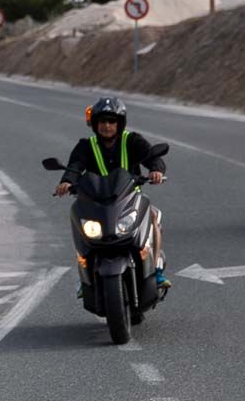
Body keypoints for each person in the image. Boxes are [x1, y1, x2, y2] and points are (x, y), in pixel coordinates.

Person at [54, 96, 169, 290]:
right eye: (102, 121)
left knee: (153, 215)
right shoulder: (86, 145)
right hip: (96, 204)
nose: (106, 126)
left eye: (111, 121)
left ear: (120, 123)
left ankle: (156, 270)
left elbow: (153, 158)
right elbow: (74, 166)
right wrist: (66, 182)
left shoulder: (132, 141)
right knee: (77, 218)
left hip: (130, 200)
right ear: (95, 124)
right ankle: (86, 275)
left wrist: (156, 170)